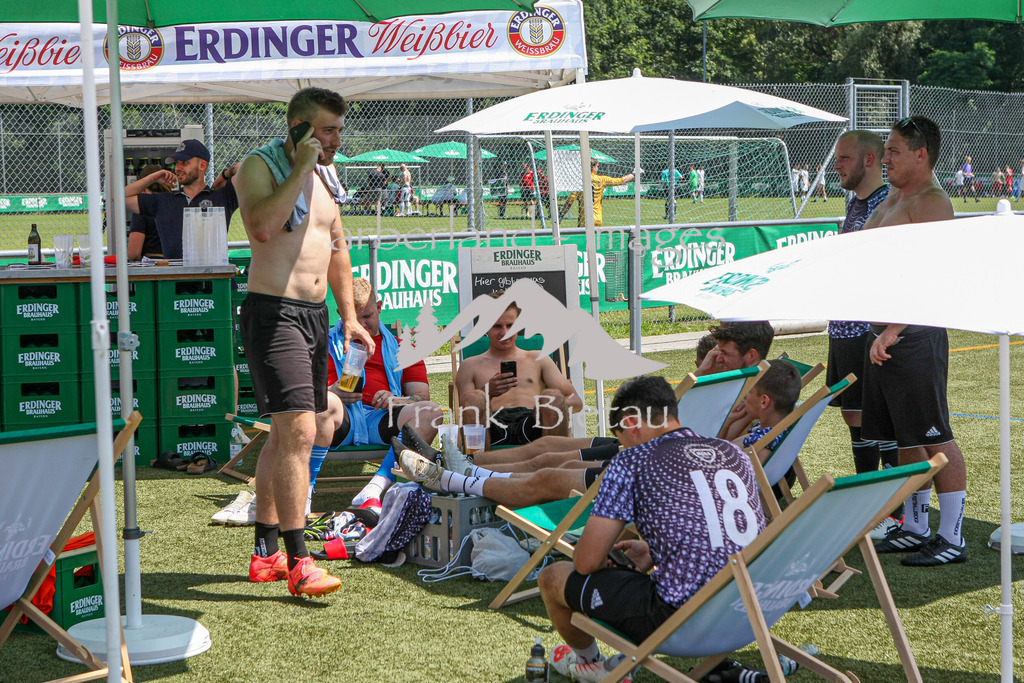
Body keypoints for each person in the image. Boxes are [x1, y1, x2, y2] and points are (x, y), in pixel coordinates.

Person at [235, 87, 374, 597]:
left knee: (287, 433)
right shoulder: (260, 167)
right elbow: (263, 227)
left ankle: (265, 552)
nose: (337, 139)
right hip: (273, 313)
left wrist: (349, 315)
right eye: (327, 130)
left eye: (339, 128)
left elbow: (337, 246)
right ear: (298, 128)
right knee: (299, 434)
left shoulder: (326, 177)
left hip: (315, 317)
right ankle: (299, 558)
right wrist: (301, 166)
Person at [536, 376, 766, 682]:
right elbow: (718, 529)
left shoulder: (632, 460)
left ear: (631, 423)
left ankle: (591, 664)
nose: (622, 446)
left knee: (553, 576)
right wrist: (657, 551)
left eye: (621, 438)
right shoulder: (732, 452)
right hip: (752, 610)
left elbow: (587, 562)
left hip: (684, 619)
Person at [863, 115, 968, 566]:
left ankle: (953, 537)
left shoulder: (933, 202)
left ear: (920, 154)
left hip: (913, 336)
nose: (884, 159)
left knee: (935, 437)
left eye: (893, 151)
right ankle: (917, 526)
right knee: (906, 438)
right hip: (881, 335)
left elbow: (934, 277)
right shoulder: (893, 196)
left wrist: (893, 328)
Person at [316, 278, 442, 519]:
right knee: (325, 403)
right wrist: (332, 391)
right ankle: (306, 493)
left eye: (368, 316)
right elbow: (303, 397)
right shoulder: (323, 345)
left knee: (430, 413)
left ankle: (375, 488)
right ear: (340, 313)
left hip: (382, 419)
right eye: (353, 318)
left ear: (380, 307)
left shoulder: (403, 346)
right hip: (339, 419)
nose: (362, 325)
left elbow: (422, 397)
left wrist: (397, 400)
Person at [829, 130, 900, 536]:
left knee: (878, 420)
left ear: (869, 161)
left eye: (844, 158)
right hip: (843, 325)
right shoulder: (854, 203)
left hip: (865, 327)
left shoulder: (885, 204)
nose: (837, 164)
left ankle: (890, 512)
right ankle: (867, 506)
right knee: (855, 416)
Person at [455, 293, 583, 446]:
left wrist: (546, 407)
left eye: (510, 325)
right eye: (497, 326)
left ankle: (557, 462)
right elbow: (467, 412)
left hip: (533, 422)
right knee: (474, 398)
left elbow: (576, 400)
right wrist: (487, 392)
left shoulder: (538, 358)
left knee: (553, 397)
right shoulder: (470, 365)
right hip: (491, 425)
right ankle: (477, 465)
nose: (505, 332)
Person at [123, 139, 239, 260]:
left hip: (214, 277)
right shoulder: (163, 201)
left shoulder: (222, 197)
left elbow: (243, 167)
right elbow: (119, 199)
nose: (178, 168)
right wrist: (152, 178)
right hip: (176, 277)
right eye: (177, 163)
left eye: (184, 162)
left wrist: (224, 175)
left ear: (202, 165)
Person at [694, 320, 774, 377]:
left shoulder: (759, 396)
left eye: (725, 353)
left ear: (751, 356)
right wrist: (701, 372)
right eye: (719, 351)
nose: (718, 359)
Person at [126, 163, 170, 261]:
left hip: (152, 263)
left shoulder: (144, 207)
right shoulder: (173, 201)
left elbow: (133, 253)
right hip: (177, 263)